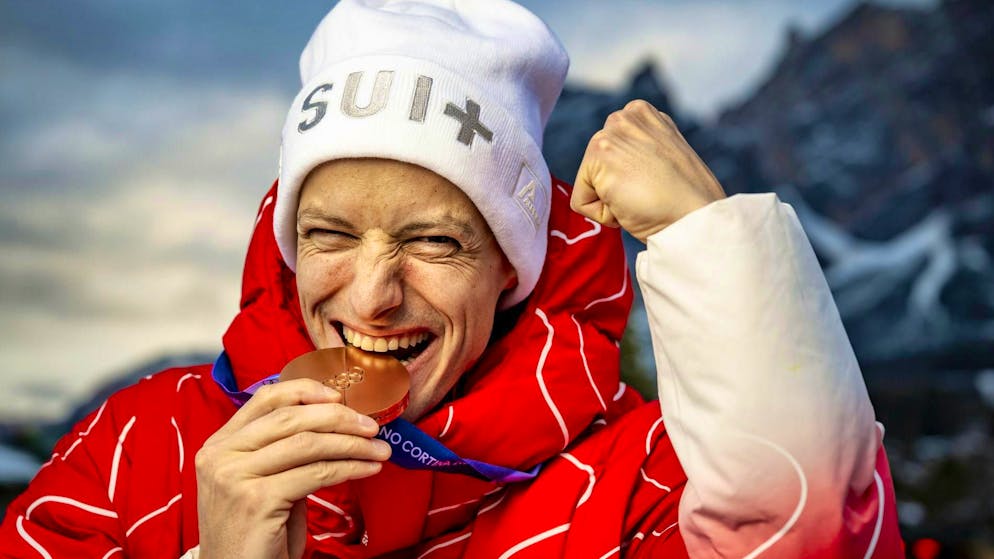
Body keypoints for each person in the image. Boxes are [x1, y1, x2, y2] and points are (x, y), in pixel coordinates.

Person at [1, 0, 904, 557]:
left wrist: (714, 244)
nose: (369, 296)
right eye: (329, 234)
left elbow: (816, 545)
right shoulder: (136, 449)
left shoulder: (641, 483)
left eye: (435, 242)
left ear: (511, 267)